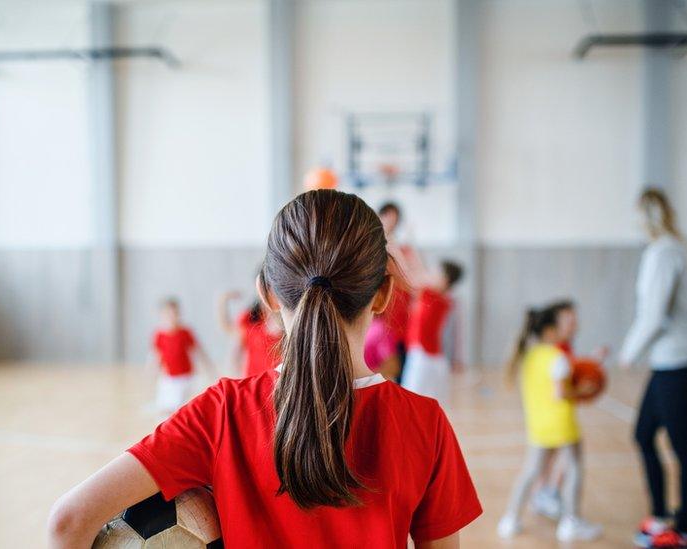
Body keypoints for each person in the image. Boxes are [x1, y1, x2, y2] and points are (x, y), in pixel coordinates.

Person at [48, 190, 482, 548]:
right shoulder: (426, 424)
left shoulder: (220, 412)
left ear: (269, 296)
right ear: (385, 293)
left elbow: (68, 522)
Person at [619, 187, 687, 548]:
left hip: (673, 363)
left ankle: (683, 530)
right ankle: (661, 516)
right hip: (679, 360)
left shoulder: (662, 252)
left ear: (644, 216)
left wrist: (628, 353)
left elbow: (652, 316)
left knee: (684, 447)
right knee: (644, 434)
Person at [497, 305, 603, 542]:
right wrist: (583, 389)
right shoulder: (557, 358)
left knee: (530, 471)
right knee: (574, 468)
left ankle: (510, 518)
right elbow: (560, 394)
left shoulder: (530, 356)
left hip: (537, 424)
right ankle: (571, 522)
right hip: (562, 423)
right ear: (549, 330)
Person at [531, 300, 609, 520]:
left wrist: (592, 360)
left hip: (548, 415)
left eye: (575, 320)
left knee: (549, 458)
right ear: (554, 325)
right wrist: (583, 389)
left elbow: (571, 369)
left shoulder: (561, 347)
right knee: (566, 461)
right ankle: (552, 499)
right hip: (555, 415)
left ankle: (543, 495)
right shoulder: (555, 350)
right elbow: (563, 385)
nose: (574, 324)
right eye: (569, 320)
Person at [399, 260, 465, 406]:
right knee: (422, 403)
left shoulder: (434, 297)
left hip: (424, 358)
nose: (430, 275)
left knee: (411, 401)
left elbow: (411, 275)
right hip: (430, 358)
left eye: (436, 273)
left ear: (445, 280)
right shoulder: (437, 296)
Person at [147, 298, 213, 413]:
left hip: (185, 377)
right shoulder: (159, 335)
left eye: (175, 313)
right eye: (168, 314)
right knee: (163, 406)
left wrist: (208, 368)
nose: (172, 317)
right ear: (162, 315)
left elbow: (198, 351)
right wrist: (152, 371)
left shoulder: (185, 332)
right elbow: (156, 355)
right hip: (168, 377)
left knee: (178, 406)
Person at [377, 202, 414, 383]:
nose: (392, 222)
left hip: (401, 319)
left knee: (401, 368)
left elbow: (411, 278)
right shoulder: (375, 250)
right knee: (382, 369)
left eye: (395, 219)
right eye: (388, 217)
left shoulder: (403, 249)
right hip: (382, 319)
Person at [217, 290, 283, 377]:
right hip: (252, 381)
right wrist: (223, 301)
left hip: (274, 381)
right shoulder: (252, 329)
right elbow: (227, 326)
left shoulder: (284, 331)